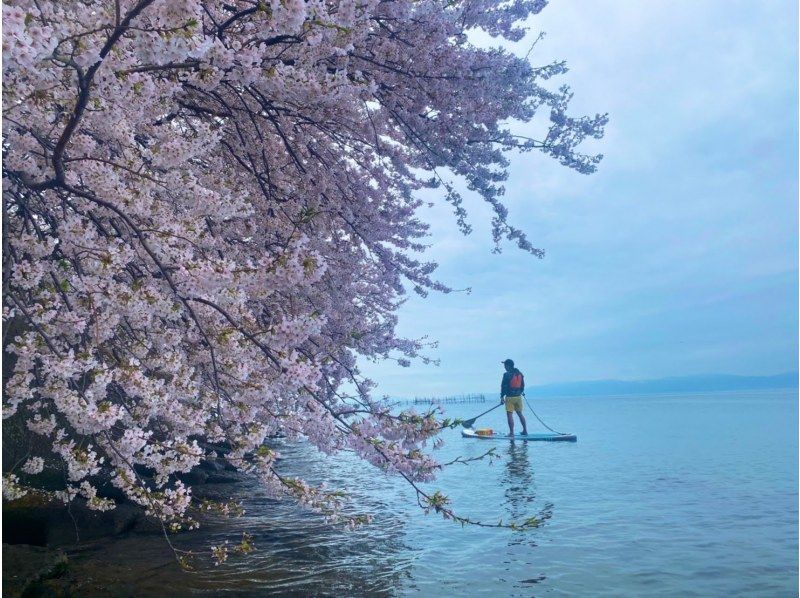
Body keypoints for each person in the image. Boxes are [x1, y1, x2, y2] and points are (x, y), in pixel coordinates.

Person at [500, 358, 528, 436]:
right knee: (520, 413)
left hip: (510, 398)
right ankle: (525, 431)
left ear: (508, 366)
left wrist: (502, 397)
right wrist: (520, 392)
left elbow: (503, 386)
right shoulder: (520, 374)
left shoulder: (506, 374)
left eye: (505, 365)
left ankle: (511, 433)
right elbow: (522, 386)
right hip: (518, 397)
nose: (504, 367)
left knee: (509, 414)